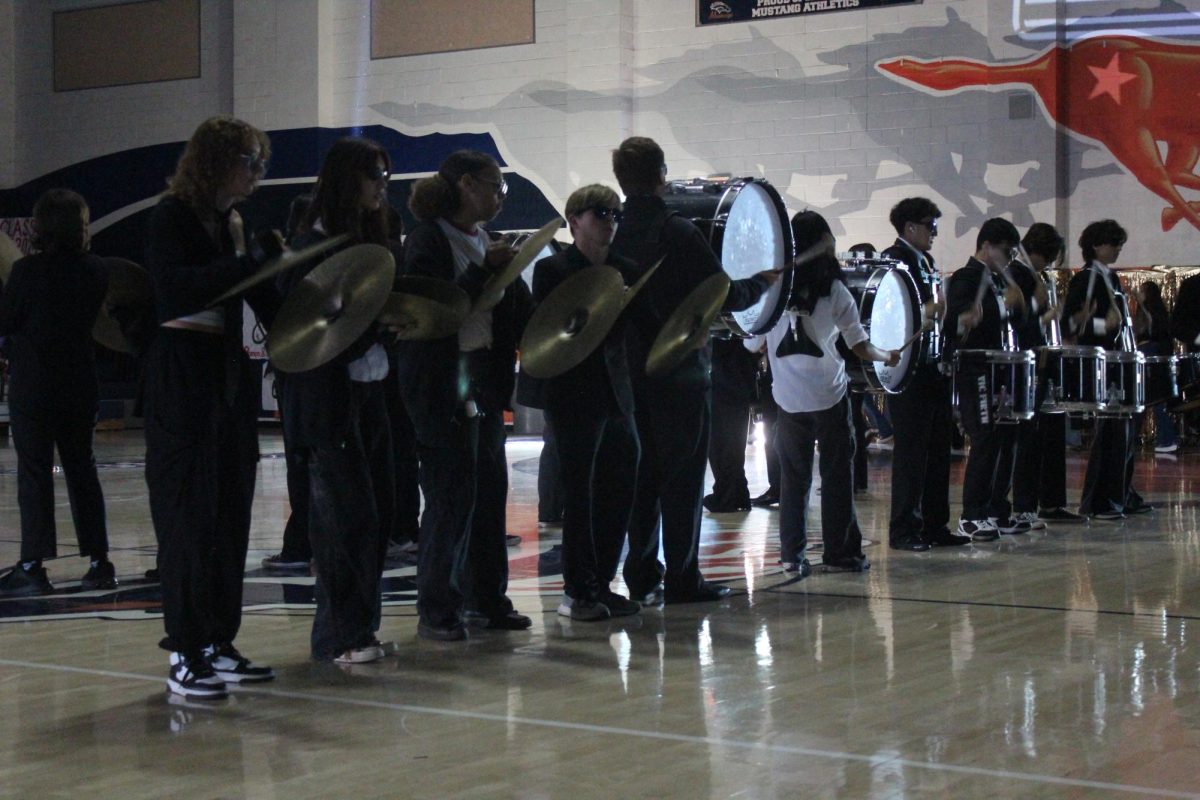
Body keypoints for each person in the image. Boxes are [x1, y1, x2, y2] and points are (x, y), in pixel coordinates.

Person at [143, 115, 278, 698]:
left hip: (227, 377)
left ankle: (220, 641)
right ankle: (186, 651)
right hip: (182, 376)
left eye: (258, 161)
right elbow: (175, 289)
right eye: (248, 159)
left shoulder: (234, 223)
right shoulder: (170, 217)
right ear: (215, 160)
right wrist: (246, 267)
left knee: (231, 516)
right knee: (188, 522)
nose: (256, 171)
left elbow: (253, 293)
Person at [610, 136, 777, 604]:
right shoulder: (678, 230)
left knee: (641, 478)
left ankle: (641, 572)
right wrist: (760, 285)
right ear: (663, 174)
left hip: (629, 371)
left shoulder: (615, 230)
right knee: (681, 480)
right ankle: (683, 577)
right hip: (680, 373)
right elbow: (719, 293)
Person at [396, 150, 533, 639]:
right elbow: (436, 309)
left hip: (482, 374)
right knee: (450, 498)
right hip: (440, 381)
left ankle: (487, 599)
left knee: (490, 494)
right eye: (497, 187)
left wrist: (511, 277)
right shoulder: (427, 240)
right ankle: (437, 607)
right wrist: (487, 270)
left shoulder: (483, 239)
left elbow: (503, 312)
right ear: (468, 185)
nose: (500, 197)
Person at [277, 137, 397, 664]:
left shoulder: (373, 240)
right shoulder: (307, 249)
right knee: (344, 522)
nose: (381, 187)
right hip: (328, 401)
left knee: (377, 518)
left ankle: (358, 629)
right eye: (374, 176)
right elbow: (302, 334)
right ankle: (342, 636)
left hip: (371, 393)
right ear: (349, 179)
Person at [525, 184, 641, 621]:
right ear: (574, 220)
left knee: (618, 491)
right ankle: (577, 591)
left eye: (615, 213)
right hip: (573, 394)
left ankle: (603, 583)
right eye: (600, 212)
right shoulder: (554, 271)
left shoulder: (626, 267)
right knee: (581, 496)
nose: (610, 220)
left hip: (615, 392)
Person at [766, 210, 899, 575]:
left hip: (787, 398)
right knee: (837, 476)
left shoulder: (773, 290)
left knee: (793, 481)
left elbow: (752, 346)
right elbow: (859, 347)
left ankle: (792, 556)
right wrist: (889, 354)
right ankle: (841, 553)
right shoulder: (834, 289)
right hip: (829, 394)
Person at [0, 189, 115, 596]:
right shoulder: (97, 269)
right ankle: (100, 560)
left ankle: (33, 564)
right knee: (82, 470)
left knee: (34, 473)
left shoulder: (27, 271)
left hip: (35, 385)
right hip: (80, 383)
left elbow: (7, 320)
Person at [882, 198, 965, 551]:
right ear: (910, 227)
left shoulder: (926, 262)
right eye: (930, 226)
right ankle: (904, 529)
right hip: (909, 370)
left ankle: (935, 524)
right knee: (911, 455)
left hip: (933, 368)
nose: (934, 233)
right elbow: (888, 313)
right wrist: (924, 311)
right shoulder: (893, 261)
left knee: (937, 450)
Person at [945, 218, 1028, 541]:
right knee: (983, 439)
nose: (1009, 259)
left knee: (1003, 439)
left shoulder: (996, 282)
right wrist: (972, 316)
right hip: (975, 369)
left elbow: (1012, 320)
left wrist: (1018, 305)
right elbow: (957, 321)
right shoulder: (966, 278)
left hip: (999, 369)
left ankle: (996, 507)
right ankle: (972, 514)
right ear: (986, 246)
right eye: (1005, 251)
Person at [1062, 219, 1149, 519]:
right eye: (1114, 244)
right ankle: (1101, 500)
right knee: (1111, 433)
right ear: (1097, 246)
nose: (1118, 250)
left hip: (1120, 360)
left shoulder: (1109, 278)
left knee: (1125, 432)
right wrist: (1103, 324)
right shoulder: (1085, 279)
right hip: (1103, 365)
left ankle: (1122, 492)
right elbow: (1070, 324)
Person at [1008, 223, 1081, 524]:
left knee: (1049, 435)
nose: (1048, 266)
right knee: (1029, 437)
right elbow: (1017, 322)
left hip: (1043, 358)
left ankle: (1049, 502)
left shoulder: (1032, 275)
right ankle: (1024, 504)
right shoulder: (1017, 273)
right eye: (1048, 258)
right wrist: (1047, 316)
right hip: (1028, 362)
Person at [261, 193, 316, 576]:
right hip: (307, 370)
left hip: (301, 373)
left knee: (302, 460)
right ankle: (303, 542)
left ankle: (300, 544)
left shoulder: (294, 258)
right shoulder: (308, 256)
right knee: (307, 460)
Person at [703, 336, 758, 512]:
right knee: (733, 437)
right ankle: (738, 493)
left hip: (725, 371)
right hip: (739, 370)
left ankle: (726, 496)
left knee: (720, 440)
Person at [1134, 280, 1180, 453]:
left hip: (1150, 353)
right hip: (1151, 353)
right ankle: (1164, 438)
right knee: (1150, 398)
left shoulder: (1151, 313)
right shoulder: (1154, 312)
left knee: (1151, 397)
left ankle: (1166, 438)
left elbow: (1149, 331)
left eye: (1142, 291)